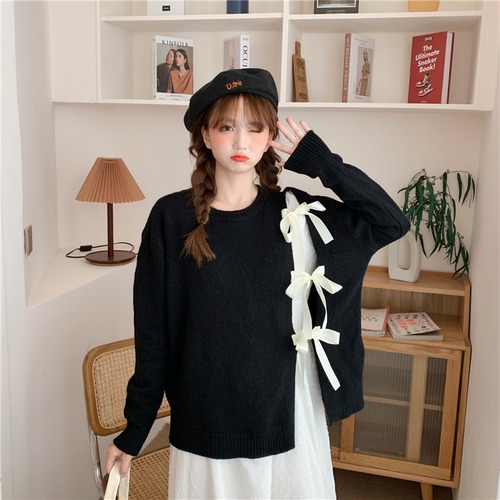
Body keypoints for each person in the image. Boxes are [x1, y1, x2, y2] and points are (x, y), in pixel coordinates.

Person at [105, 68, 410, 498]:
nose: (241, 142)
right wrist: (134, 431)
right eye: (226, 127)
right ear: (205, 135)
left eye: (255, 128)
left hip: (289, 425)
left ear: (270, 137)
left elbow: (390, 222)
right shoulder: (170, 219)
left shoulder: (298, 215)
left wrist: (323, 164)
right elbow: (154, 337)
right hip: (206, 431)